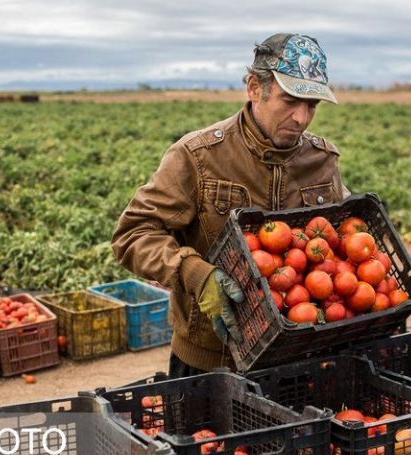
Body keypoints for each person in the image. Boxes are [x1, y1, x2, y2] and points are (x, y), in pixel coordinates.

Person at [111, 33, 350, 377]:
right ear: (255, 88)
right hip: (211, 359)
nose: (301, 117)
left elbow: (340, 245)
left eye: (311, 106)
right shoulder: (199, 156)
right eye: (290, 101)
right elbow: (133, 234)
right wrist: (194, 273)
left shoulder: (322, 159)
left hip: (299, 354)